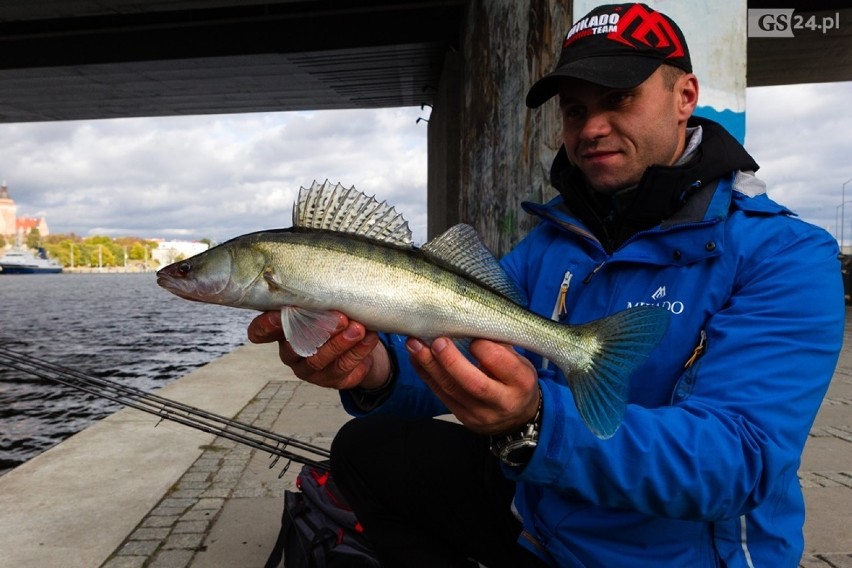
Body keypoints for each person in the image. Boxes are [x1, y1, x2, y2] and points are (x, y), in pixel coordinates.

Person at [248, 3, 845, 566]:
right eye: (575, 110)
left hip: (668, 552)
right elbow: (453, 344)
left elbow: (739, 464)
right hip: (539, 521)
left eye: (619, 100)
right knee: (366, 447)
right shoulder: (553, 242)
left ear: (684, 96)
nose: (593, 128)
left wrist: (533, 422)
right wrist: (374, 366)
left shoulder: (787, 254)